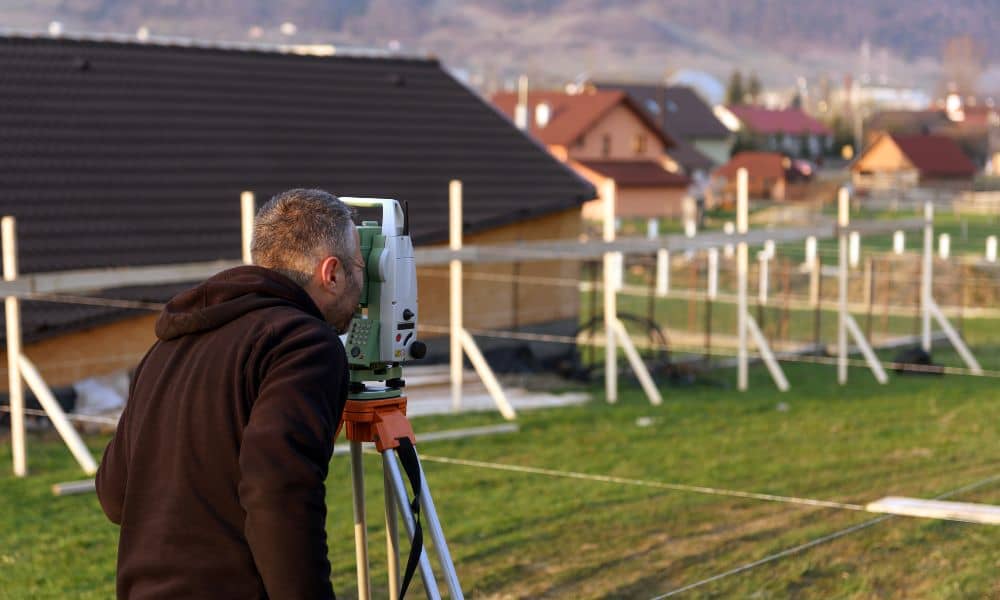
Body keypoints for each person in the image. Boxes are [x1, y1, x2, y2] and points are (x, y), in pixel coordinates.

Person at [96, 188, 362, 599]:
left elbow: (115, 496)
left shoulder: (167, 347)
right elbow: (279, 491)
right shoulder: (303, 344)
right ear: (332, 272)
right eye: (359, 266)